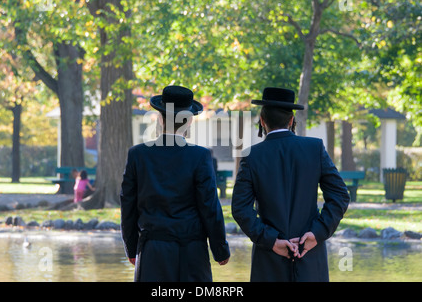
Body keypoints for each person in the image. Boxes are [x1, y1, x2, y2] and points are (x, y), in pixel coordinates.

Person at [232, 87, 350, 282]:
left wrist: (271, 240)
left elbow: (240, 209)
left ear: (262, 121)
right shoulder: (315, 148)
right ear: (291, 120)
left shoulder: (251, 156)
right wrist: (317, 233)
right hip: (309, 257)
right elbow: (340, 195)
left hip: (269, 261)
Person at [120, 85, 230, 282]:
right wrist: (220, 249)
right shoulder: (200, 156)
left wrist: (131, 246)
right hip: (192, 252)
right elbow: (209, 206)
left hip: (153, 249)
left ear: (160, 119)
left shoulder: (138, 155)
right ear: (188, 122)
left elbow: (128, 205)